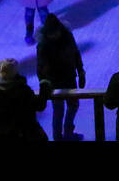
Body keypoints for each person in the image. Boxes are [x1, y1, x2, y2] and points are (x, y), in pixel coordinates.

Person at [36, 12, 86, 141]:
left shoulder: (68, 37)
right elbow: (40, 66)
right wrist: (43, 82)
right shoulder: (43, 45)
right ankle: (58, 137)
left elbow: (76, 53)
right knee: (58, 111)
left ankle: (68, 132)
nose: (54, 36)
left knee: (73, 105)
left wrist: (81, 72)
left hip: (69, 77)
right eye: (51, 34)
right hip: (54, 81)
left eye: (55, 32)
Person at [0, 57, 49, 142]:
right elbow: (40, 105)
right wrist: (44, 86)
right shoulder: (23, 90)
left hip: (1, 137)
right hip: (22, 135)